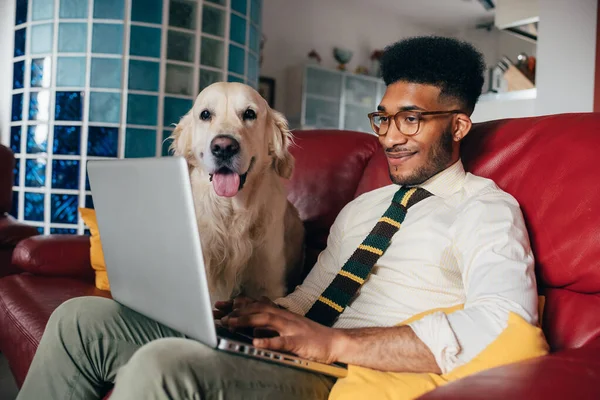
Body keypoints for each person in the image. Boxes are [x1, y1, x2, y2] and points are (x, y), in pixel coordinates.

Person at [16, 36, 538, 400]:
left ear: (460, 124)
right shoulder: (363, 208)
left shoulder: (487, 209)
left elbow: (504, 324)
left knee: (161, 365)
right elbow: (311, 299)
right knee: (79, 320)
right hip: (293, 350)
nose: (391, 136)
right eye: (383, 117)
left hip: (346, 372)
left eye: (412, 119)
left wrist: (334, 343)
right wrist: (248, 316)